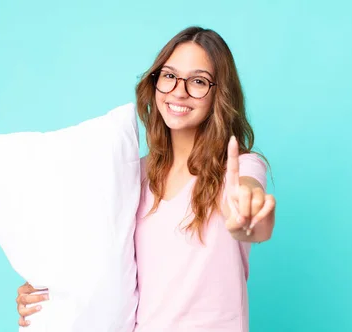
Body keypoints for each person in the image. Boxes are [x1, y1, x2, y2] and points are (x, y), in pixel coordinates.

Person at [15, 26, 276, 331]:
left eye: (198, 81)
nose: (179, 91)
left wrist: (250, 218)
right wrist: (45, 293)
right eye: (169, 76)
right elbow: (94, 264)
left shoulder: (241, 167)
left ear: (219, 94)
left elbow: (254, 215)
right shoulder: (131, 175)